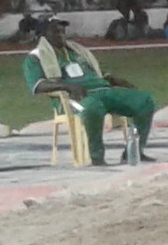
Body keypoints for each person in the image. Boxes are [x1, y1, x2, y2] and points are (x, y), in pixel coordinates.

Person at [22, 17, 157, 165]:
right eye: (56, 32)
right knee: (92, 107)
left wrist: (114, 80)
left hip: (104, 91)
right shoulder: (35, 57)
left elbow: (96, 73)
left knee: (144, 101)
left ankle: (134, 151)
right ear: (43, 35)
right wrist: (67, 86)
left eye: (62, 31)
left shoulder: (77, 51)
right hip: (74, 98)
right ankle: (96, 157)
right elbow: (38, 85)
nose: (61, 35)